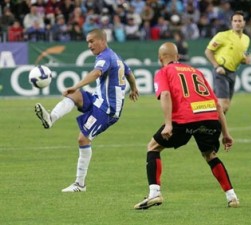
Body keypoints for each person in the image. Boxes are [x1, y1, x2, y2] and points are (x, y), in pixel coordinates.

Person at [134, 42, 238, 210]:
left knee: (153, 147)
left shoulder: (163, 71)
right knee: (210, 155)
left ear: (160, 59)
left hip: (185, 119)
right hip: (209, 118)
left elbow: (166, 94)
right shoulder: (195, 71)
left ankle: (154, 193)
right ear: (178, 57)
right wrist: (226, 133)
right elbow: (218, 105)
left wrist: (168, 124)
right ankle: (232, 196)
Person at [34, 29, 139, 192]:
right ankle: (51, 118)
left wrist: (75, 85)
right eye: (87, 42)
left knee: (83, 140)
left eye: (92, 41)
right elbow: (129, 73)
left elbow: (96, 73)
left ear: (102, 41)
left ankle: (80, 184)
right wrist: (134, 88)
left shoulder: (105, 57)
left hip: (108, 110)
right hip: (99, 101)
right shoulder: (115, 56)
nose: (89, 46)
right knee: (75, 95)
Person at [205, 11, 250, 114]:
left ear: (244, 22)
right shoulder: (222, 36)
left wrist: (245, 60)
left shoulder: (246, 39)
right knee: (223, 104)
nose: (237, 23)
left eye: (239, 21)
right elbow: (208, 51)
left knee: (224, 106)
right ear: (231, 23)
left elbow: (240, 57)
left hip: (232, 73)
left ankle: (211, 126)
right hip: (221, 71)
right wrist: (217, 66)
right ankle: (216, 128)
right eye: (235, 21)